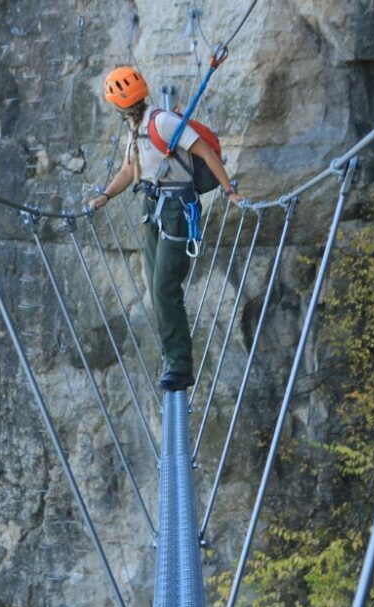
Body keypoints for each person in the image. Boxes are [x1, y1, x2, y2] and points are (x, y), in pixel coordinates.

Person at [87, 66, 244, 392]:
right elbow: (130, 170)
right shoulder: (137, 129)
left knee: (163, 289)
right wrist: (105, 196)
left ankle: (179, 365)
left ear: (118, 104)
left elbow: (205, 151)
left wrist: (230, 192)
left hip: (177, 213)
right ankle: (173, 355)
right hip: (153, 211)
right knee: (153, 285)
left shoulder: (162, 123)